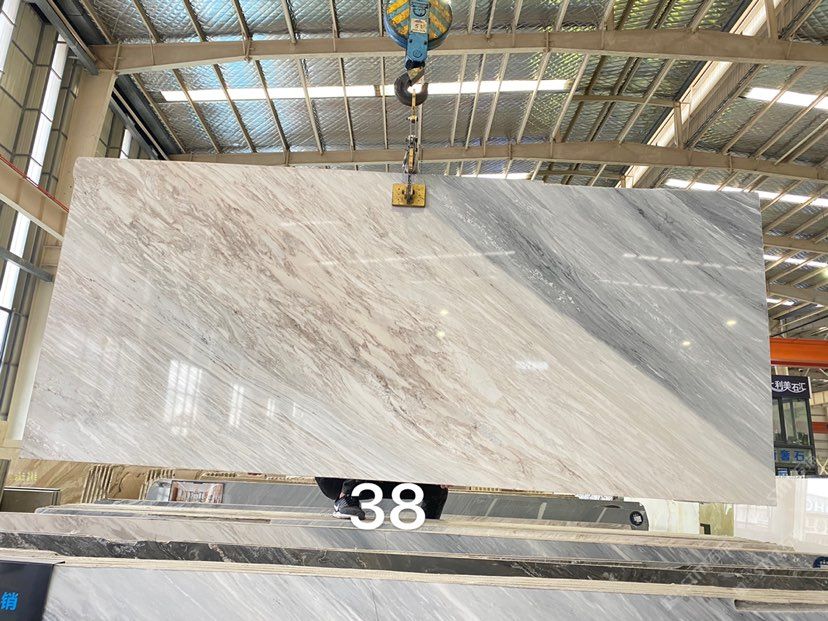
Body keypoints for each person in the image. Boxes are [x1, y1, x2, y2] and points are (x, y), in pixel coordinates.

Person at [315, 477, 448, 521]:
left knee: (437, 490)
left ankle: (426, 535)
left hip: (380, 473)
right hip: (337, 480)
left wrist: (440, 473)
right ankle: (345, 499)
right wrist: (347, 489)